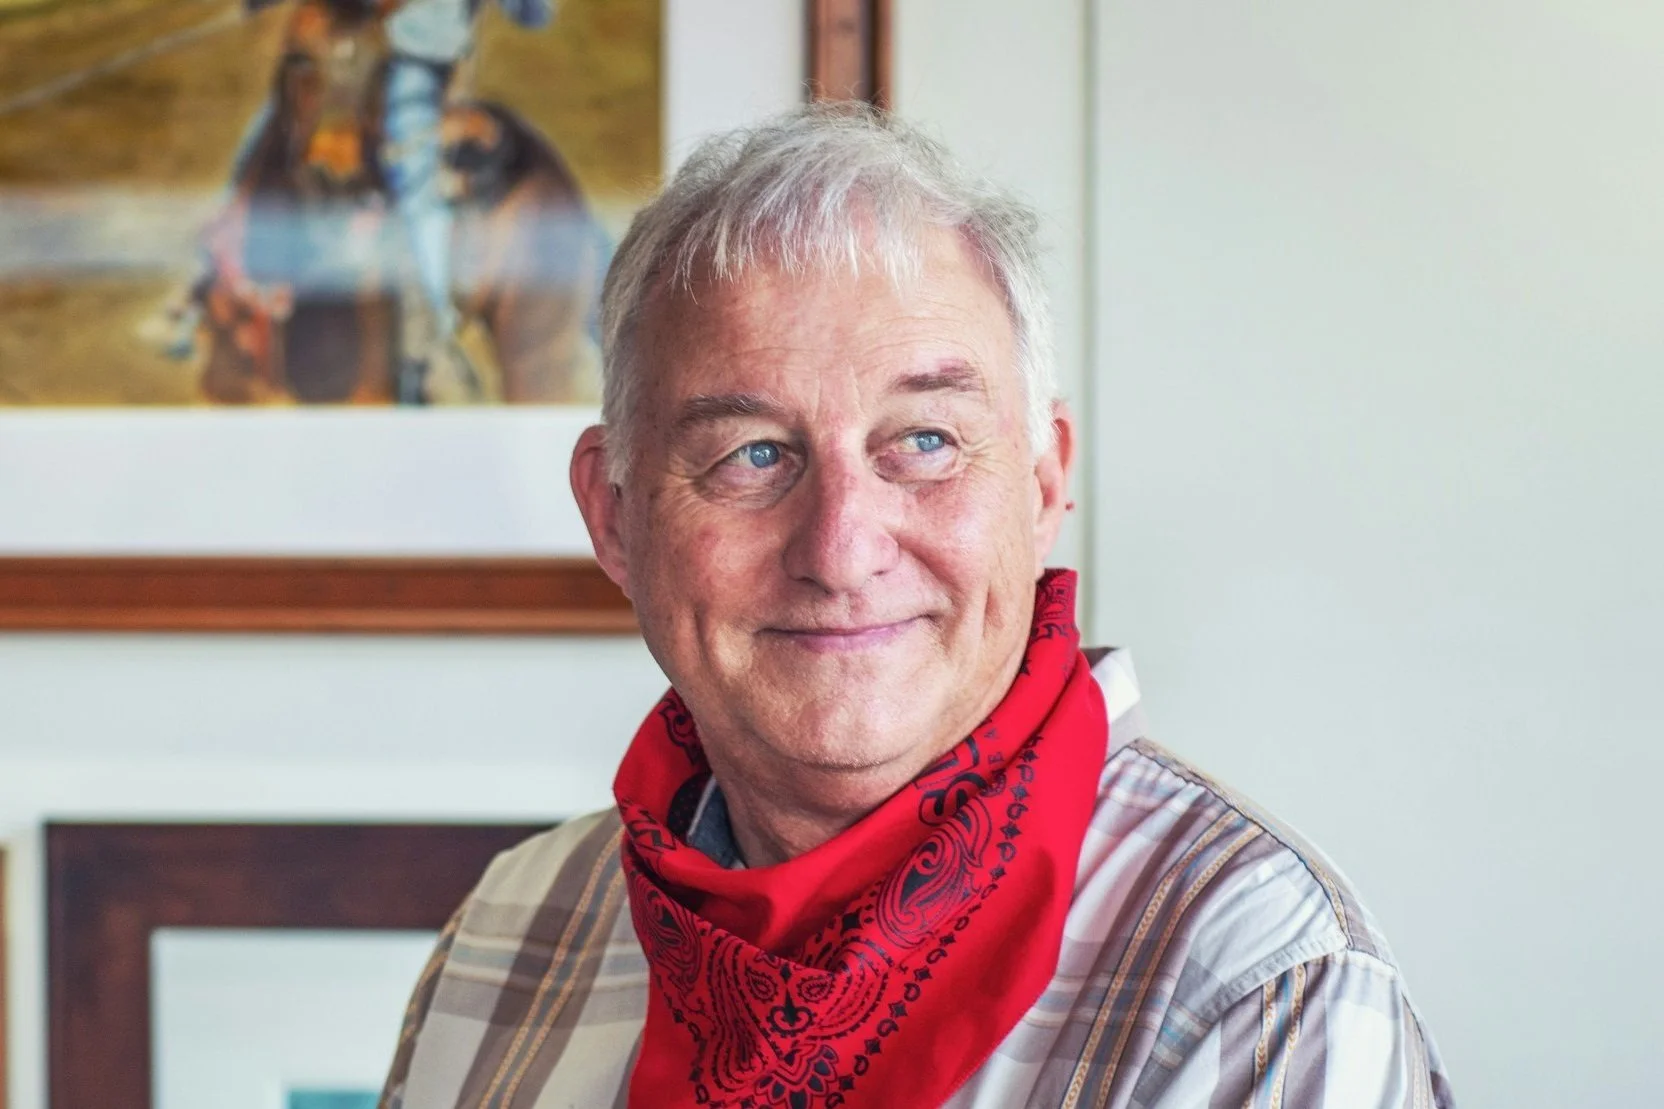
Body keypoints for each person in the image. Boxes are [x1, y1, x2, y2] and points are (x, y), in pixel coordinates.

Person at [378, 105, 1457, 1108]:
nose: (841, 548)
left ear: (1041, 482)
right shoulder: (515, 930)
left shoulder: (1255, 980)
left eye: (926, 442)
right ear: (612, 513)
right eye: (751, 454)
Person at [159, 0, 554, 385]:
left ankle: (433, 339)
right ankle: (203, 288)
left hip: (415, 53)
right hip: (347, 35)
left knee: (413, 177)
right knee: (265, 139)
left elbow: (532, 13)